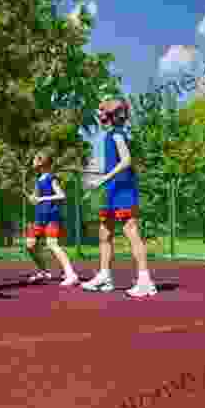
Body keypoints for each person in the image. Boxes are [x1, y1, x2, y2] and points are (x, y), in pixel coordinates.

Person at [81, 98, 157, 297]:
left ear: (110, 115)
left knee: (130, 231)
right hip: (112, 189)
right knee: (104, 233)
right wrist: (97, 179)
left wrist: (102, 179)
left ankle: (145, 280)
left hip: (123, 188)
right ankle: (105, 276)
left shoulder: (117, 134)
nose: (99, 114)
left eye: (102, 110)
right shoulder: (108, 135)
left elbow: (126, 161)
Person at [24, 150, 79, 286]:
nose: (33, 161)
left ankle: (71, 274)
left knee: (52, 244)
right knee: (30, 245)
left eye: (35, 159)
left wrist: (42, 198)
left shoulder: (51, 178)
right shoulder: (38, 180)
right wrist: (33, 199)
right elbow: (36, 199)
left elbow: (61, 195)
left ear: (42, 162)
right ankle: (43, 271)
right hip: (39, 217)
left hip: (51, 216)